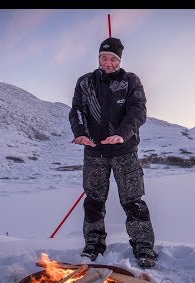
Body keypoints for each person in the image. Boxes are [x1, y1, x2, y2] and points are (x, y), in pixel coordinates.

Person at [68, 37, 158, 269]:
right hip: (94, 152)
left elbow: (138, 111)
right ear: (98, 58)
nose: (108, 63)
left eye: (113, 59)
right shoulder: (85, 82)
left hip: (124, 151)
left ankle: (144, 247)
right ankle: (94, 244)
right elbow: (77, 110)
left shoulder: (130, 81)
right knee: (94, 201)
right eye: (104, 58)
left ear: (120, 60)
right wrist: (80, 132)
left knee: (133, 201)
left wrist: (122, 133)